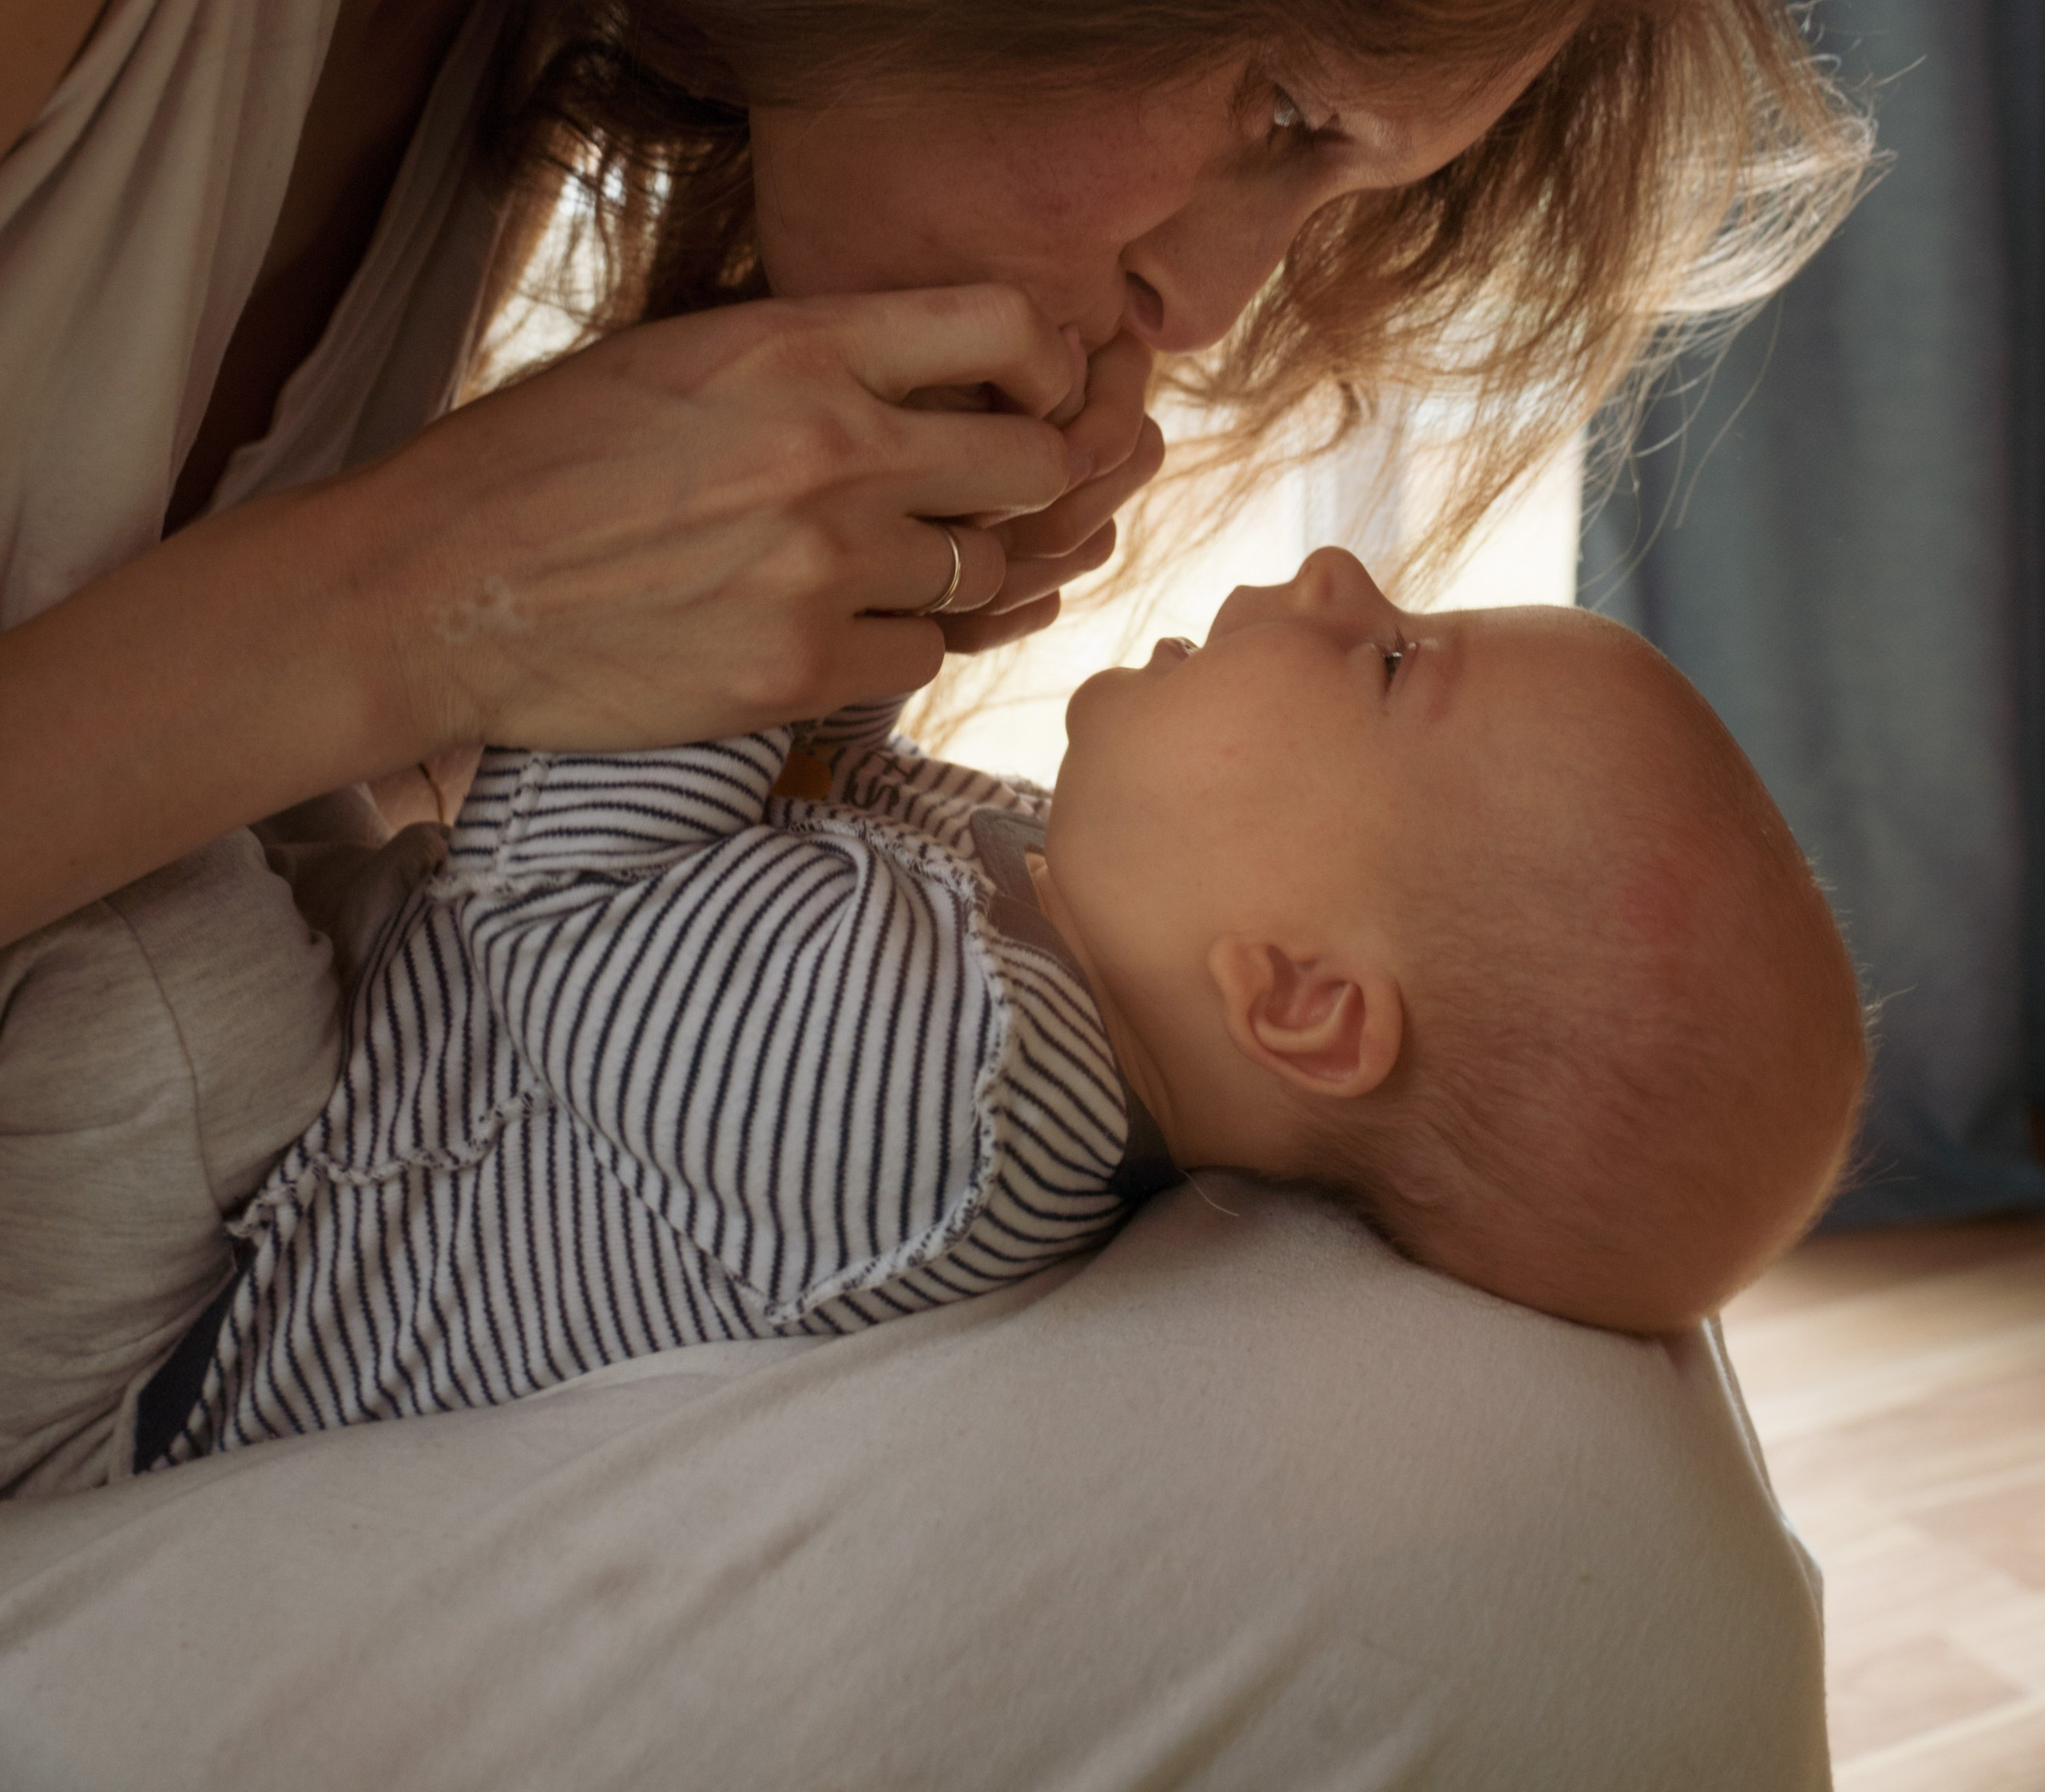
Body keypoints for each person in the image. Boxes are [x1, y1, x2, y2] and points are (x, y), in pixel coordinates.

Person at [0, 0, 1864, 1792]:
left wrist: (763, 644)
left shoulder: (502, 5)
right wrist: (425, 595)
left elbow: (446, 991)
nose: (1214, 305)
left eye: (1327, 195)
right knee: (1556, 1549)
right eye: (1283, 113)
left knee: (1552, 1447)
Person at [28, 547, 1857, 1495]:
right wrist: (908, 588)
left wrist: (789, 547)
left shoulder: (928, 1115)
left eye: (1389, 660)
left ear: (1295, 1000)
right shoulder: (1044, 913)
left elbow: (557, 887)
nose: (1331, 579)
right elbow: (798, 797)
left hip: (174, 1326)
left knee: (156, 893)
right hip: (326, 1087)